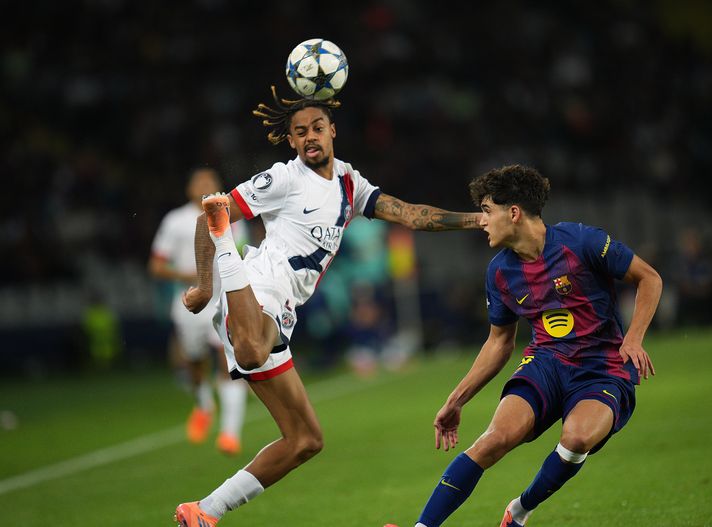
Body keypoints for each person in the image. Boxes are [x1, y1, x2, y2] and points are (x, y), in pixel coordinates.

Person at [174, 88, 481, 526]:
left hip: (282, 312)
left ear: (332, 131)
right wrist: (205, 285)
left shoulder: (351, 185)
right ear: (292, 142)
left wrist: (475, 220)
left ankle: (204, 511)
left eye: (317, 128)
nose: (310, 136)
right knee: (251, 350)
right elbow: (214, 213)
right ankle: (230, 246)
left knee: (305, 440)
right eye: (300, 132)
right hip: (256, 288)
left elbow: (411, 215)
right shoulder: (283, 178)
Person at [406, 164, 662, 527]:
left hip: (602, 366)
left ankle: (520, 510)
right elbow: (499, 343)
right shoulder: (499, 271)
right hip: (546, 363)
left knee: (577, 439)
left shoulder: (581, 241)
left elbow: (648, 278)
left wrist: (633, 338)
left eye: (486, 211)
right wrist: (456, 399)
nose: (481, 221)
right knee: (495, 438)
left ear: (513, 213)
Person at [150, 168, 248, 456]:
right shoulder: (175, 221)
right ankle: (204, 404)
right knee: (194, 363)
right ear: (189, 189)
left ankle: (230, 433)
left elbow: (241, 252)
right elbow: (156, 265)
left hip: (224, 300)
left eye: (211, 182)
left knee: (229, 363)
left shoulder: (231, 215)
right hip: (191, 303)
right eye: (200, 182)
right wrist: (185, 274)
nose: (206, 186)